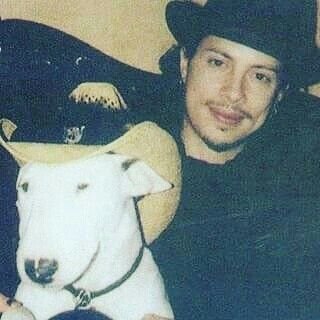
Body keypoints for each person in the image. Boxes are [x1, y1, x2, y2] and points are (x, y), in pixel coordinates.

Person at [150, 1, 320, 319]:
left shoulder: (298, 200)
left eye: (260, 76)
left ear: (280, 93)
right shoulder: (125, 158)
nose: (234, 93)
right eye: (218, 62)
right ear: (185, 62)